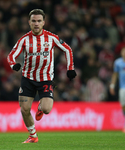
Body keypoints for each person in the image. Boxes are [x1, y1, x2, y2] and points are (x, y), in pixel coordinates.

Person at [7, 9, 76, 143]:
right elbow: (11, 55)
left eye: (39, 21)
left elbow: (67, 49)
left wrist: (70, 69)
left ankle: (40, 106)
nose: (36, 23)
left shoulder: (52, 38)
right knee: (24, 109)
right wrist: (13, 65)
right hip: (27, 79)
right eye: (33, 21)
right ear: (29, 22)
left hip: (45, 79)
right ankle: (33, 135)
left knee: (46, 109)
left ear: (44, 22)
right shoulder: (24, 40)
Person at [109, 47, 125, 133]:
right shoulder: (117, 62)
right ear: (121, 53)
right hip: (122, 88)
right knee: (124, 107)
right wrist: (112, 85)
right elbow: (115, 74)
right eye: (124, 52)